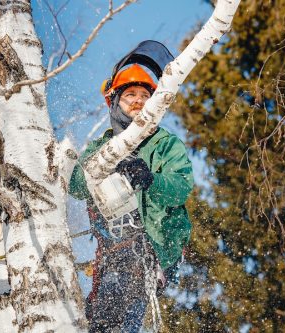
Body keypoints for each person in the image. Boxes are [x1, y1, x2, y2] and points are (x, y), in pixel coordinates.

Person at [69, 51, 194, 332]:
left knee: (125, 299)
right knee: (99, 315)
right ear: (114, 101)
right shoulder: (101, 147)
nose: (138, 100)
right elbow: (76, 185)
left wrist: (150, 180)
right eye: (130, 95)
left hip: (154, 243)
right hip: (112, 248)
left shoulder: (164, 144)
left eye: (144, 95)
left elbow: (181, 188)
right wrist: (100, 166)